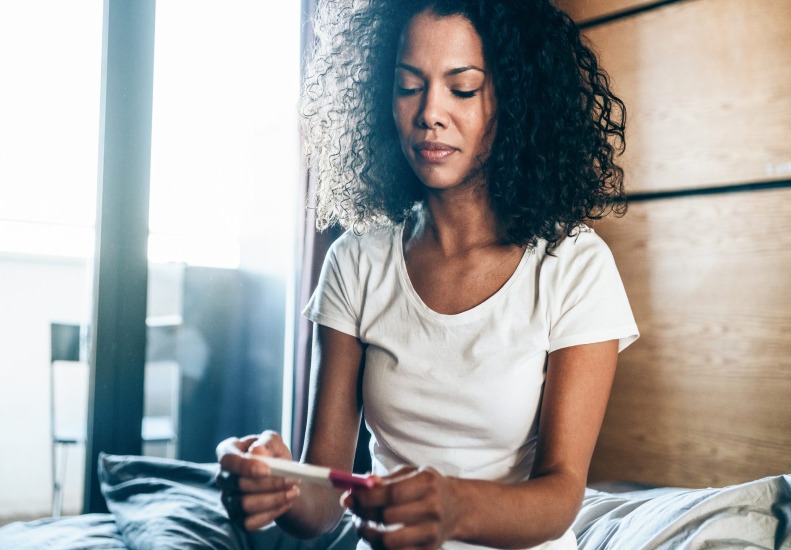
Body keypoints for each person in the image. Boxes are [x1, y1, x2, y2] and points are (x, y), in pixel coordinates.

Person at [217, 0, 638, 548]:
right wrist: (276, 485)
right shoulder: (355, 262)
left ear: (513, 97)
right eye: (409, 85)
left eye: (461, 88)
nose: (429, 113)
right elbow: (323, 504)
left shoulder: (574, 265)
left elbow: (560, 496)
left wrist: (454, 507)